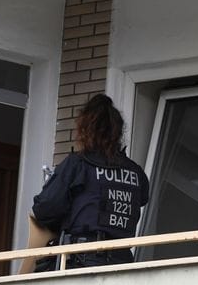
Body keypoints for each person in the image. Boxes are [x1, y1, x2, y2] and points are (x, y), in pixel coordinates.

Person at [32, 94, 149, 269]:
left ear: (86, 129)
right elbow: (142, 199)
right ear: (117, 132)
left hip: (83, 260)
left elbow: (45, 208)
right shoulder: (135, 172)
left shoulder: (78, 164)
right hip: (123, 263)